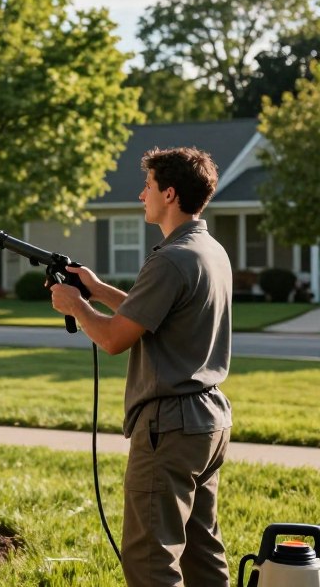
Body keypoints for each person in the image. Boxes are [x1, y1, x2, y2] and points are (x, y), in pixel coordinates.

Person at [49, 146, 233, 587]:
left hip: (168, 427)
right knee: (201, 550)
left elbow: (114, 339)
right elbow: (150, 313)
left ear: (169, 194)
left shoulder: (169, 259)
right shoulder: (208, 250)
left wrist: (76, 307)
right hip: (207, 424)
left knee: (150, 559)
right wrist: (96, 288)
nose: (140, 195)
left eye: (147, 187)